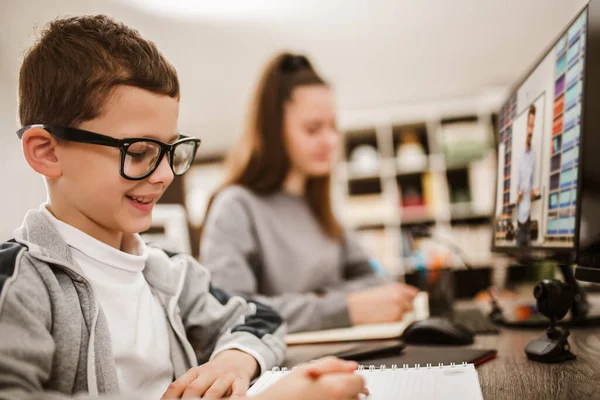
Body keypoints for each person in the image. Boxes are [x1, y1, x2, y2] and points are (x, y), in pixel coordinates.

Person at [0, 16, 366, 400]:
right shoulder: (19, 286)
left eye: (171, 151)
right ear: (46, 152)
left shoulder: (169, 274)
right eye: (139, 152)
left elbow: (261, 319)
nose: (163, 175)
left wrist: (234, 360)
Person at [201, 52, 418, 333]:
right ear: (274, 132)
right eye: (313, 129)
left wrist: (322, 301)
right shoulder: (236, 206)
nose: (330, 141)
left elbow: (376, 279)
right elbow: (228, 311)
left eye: (333, 126)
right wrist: (345, 307)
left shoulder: (318, 205)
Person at [516, 104, 537, 247]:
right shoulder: (519, 154)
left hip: (530, 217)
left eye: (533, 126)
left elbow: (532, 181)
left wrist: (533, 191)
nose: (531, 130)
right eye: (529, 125)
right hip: (520, 219)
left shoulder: (533, 154)